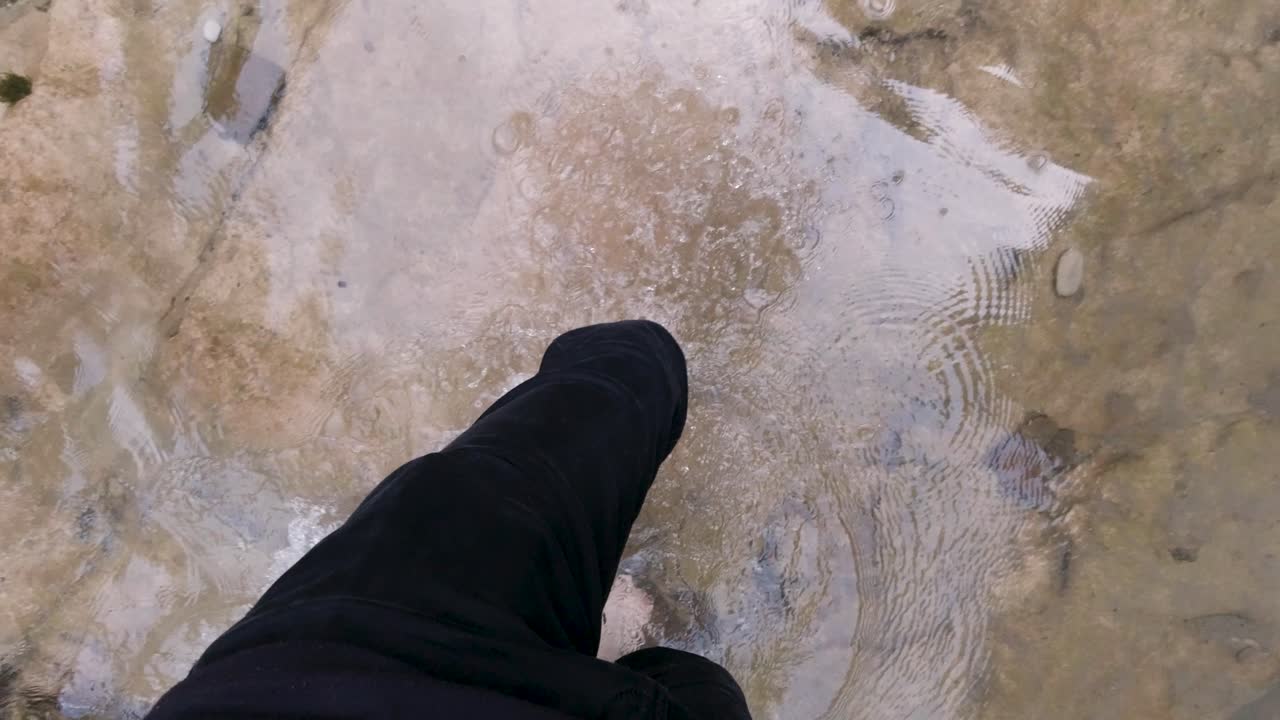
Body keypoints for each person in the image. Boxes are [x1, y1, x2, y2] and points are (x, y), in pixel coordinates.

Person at [146, 320, 752, 719]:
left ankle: (618, 635)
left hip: (316, 664)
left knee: (634, 369)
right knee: (633, 372)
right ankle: (622, 631)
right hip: (331, 654)